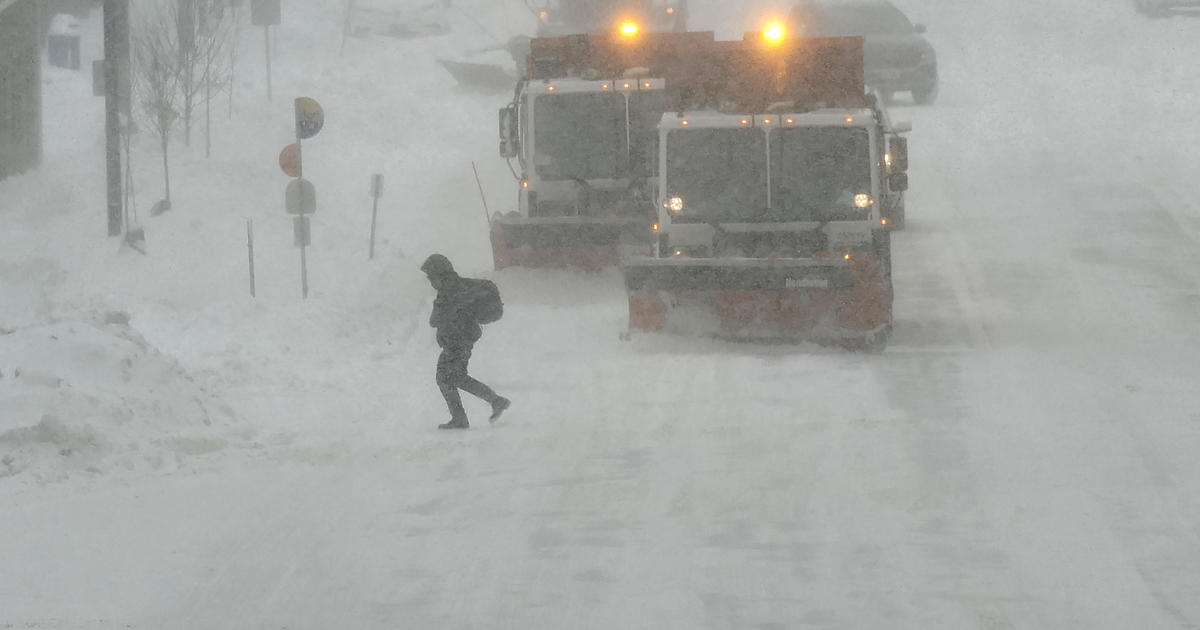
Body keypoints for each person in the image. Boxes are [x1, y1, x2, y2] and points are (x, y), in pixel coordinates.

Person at [421, 254, 511, 429]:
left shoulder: (449, 291)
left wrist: (445, 313)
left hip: (456, 342)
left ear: (439, 274)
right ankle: (493, 402)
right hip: (460, 341)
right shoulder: (458, 287)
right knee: (455, 378)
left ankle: (463, 417)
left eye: (431, 277)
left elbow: (434, 320)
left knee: (446, 378)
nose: (430, 282)